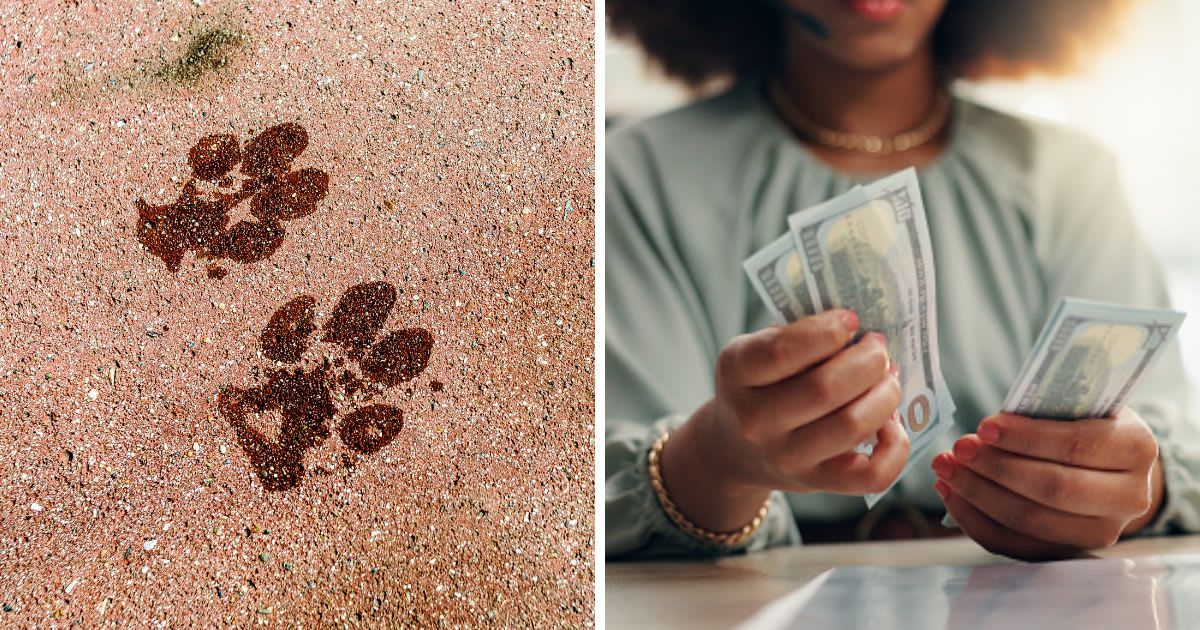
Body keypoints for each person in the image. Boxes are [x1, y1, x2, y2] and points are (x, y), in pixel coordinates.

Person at [605, 0, 1200, 561]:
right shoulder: (630, 178)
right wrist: (713, 463)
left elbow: (1172, 441)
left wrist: (1134, 486)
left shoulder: (1070, 178)